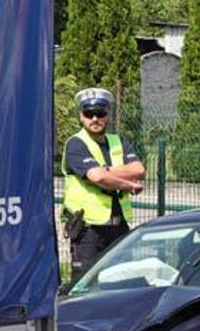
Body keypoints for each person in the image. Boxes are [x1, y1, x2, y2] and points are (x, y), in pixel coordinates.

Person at [62, 87, 145, 282]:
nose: (94, 119)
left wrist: (104, 171)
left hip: (119, 229)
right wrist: (126, 184)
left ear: (108, 114)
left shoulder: (118, 142)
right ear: (81, 116)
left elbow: (139, 169)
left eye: (100, 113)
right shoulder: (75, 144)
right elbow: (96, 177)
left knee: (124, 282)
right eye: (89, 113)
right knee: (85, 286)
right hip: (89, 231)